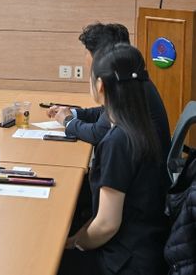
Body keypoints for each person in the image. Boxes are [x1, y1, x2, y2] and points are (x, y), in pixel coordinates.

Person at [62, 43, 169, 275]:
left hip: (124, 262)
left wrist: (76, 243)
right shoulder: (142, 127)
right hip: (147, 247)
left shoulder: (118, 142)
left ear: (100, 86)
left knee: (46, 259)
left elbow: (106, 225)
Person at [47, 23, 170, 157]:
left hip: (142, 165)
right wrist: (73, 113)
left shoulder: (127, 87)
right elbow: (104, 112)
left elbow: (97, 133)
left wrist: (68, 121)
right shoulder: (131, 79)